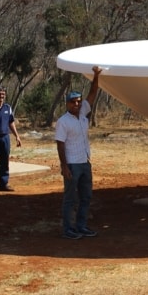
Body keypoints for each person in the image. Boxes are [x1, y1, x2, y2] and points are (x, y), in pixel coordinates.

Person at [55, 66, 102, 240]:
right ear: (67, 104)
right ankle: (68, 229)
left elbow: (93, 93)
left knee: (86, 196)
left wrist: (96, 76)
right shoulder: (63, 122)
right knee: (70, 198)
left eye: (78, 101)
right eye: (73, 102)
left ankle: (81, 226)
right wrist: (64, 166)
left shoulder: (83, 115)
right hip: (72, 164)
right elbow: (60, 144)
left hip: (84, 162)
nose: (76, 104)